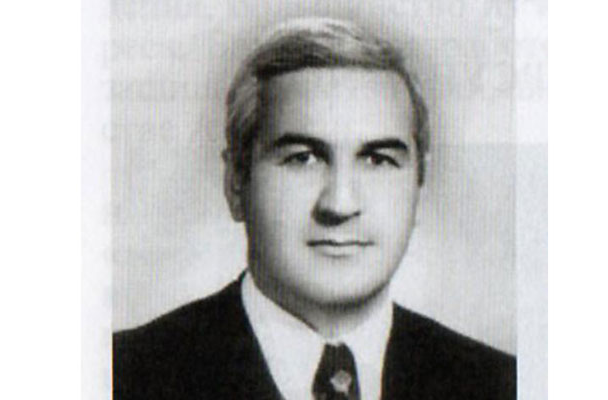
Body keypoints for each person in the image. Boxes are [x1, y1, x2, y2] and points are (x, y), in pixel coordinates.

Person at [113, 17, 516, 400]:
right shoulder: (120, 377)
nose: (340, 204)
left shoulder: (502, 385)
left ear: (419, 187)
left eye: (377, 160)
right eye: (303, 158)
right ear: (235, 183)